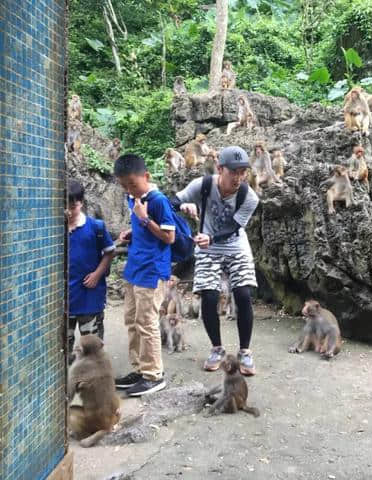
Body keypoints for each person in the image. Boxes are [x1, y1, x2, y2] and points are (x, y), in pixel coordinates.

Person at [174, 146, 259, 375]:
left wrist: (210, 237)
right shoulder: (201, 185)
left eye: (243, 172)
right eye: (234, 172)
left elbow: (233, 228)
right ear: (220, 168)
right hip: (207, 248)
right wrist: (184, 205)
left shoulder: (248, 196)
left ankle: (245, 352)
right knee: (209, 295)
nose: (239, 177)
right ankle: (217, 349)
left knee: (243, 294)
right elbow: (170, 203)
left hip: (235, 245)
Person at [113, 153, 176, 396]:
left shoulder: (158, 200)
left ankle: (153, 375)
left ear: (146, 176)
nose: (130, 190)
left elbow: (169, 237)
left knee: (147, 323)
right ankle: (139, 369)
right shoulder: (133, 198)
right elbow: (145, 229)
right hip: (134, 269)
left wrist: (145, 219)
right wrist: (132, 230)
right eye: (124, 185)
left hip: (152, 271)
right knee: (132, 320)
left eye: (133, 184)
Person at [67, 180, 115, 364]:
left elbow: (110, 252)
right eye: (67, 206)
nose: (70, 211)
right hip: (65, 301)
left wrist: (97, 274)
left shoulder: (96, 227)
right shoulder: (55, 229)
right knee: (64, 348)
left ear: (81, 202)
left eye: (74, 206)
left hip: (90, 298)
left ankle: (95, 384)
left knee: (93, 349)